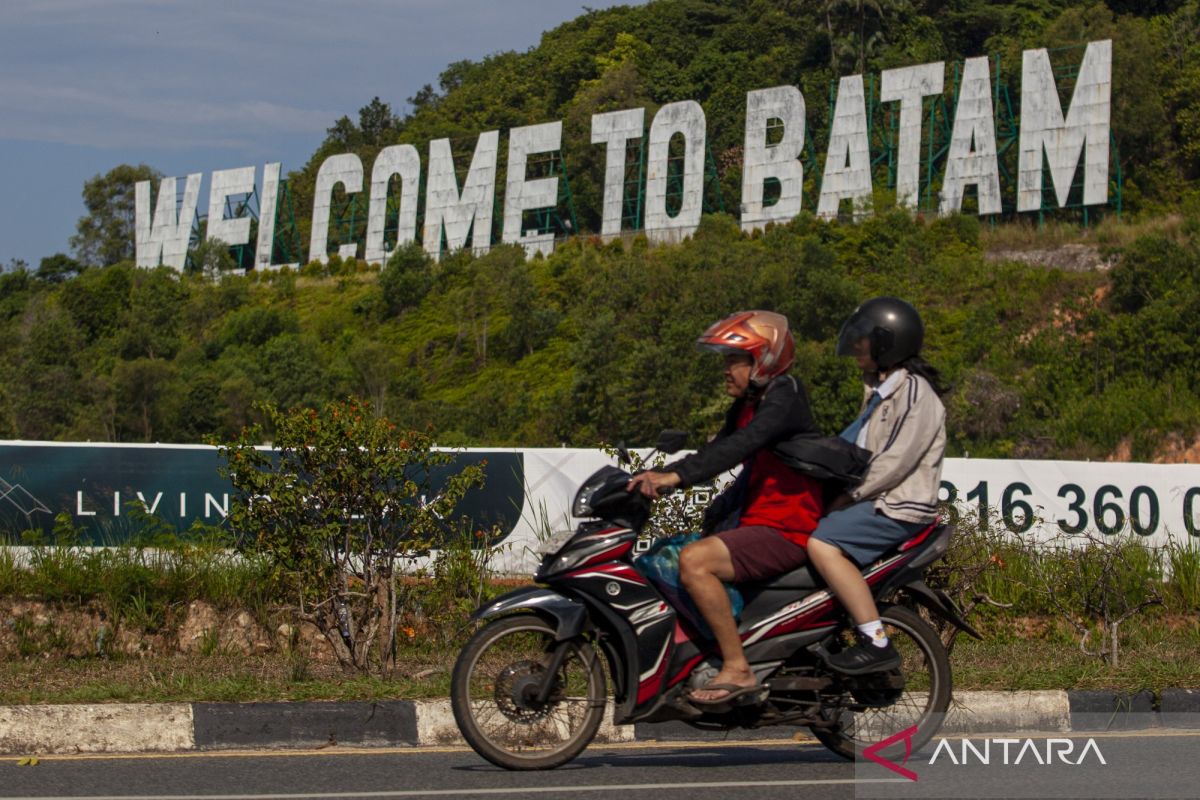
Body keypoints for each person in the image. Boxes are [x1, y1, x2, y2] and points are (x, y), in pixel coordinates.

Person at [627, 310, 824, 706]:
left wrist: (676, 477)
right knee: (669, 555)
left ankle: (737, 668)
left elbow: (741, 445)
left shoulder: (784, 395)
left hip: (787, 527)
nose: (726, 370)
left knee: (695, 561)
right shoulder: (749, 403)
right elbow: (717, 450)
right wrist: (660, 474)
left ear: (763, 360)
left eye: (734, 360)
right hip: (756, 522)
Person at [807, 296, 947, 674]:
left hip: (897, 507)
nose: (857, 346)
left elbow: (894, 462)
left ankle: (876, 641)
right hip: (877, 501)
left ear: (888, 343)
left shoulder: (916, 393)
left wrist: (846, 496)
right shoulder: (880, 393)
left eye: (865, 338)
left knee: (821, 544)